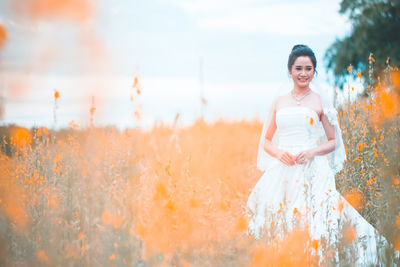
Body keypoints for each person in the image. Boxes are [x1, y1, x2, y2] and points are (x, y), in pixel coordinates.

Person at [245, 45, 387, 265]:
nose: (303, 73)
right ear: (290, 70)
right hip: (283, 169)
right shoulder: (279, 101)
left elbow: (333, 141)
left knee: (318, 219)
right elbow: (265, 140)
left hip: (313, 169)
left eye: (308, 68)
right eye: (298, 68)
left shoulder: (320, 101)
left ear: (314, 71)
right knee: (279, 217)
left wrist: (312, 151)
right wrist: (280, 153)